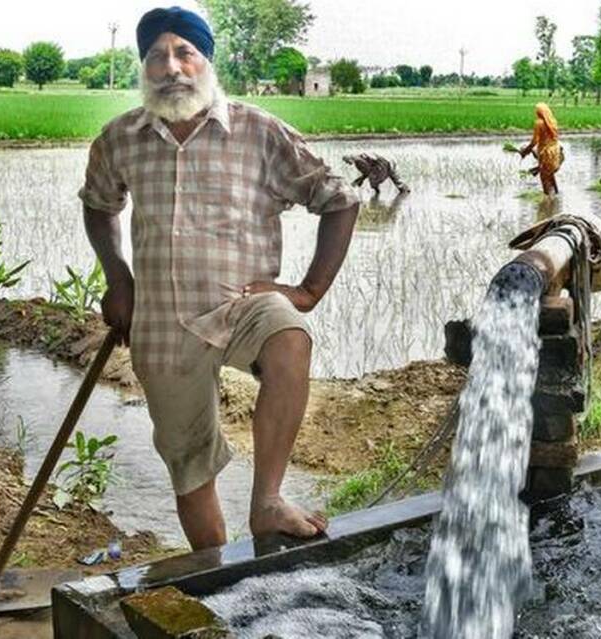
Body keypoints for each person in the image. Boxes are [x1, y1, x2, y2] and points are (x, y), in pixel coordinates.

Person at [78, 7, 360, 550]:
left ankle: (268, 503)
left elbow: (339, 199)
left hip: (242, 303)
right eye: (157, 55)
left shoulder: (259, 131)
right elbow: (99, 205)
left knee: (290, 337)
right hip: (162, 319)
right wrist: (118, 279)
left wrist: (308, 291)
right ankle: (215, 570)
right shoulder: (119, 139)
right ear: (143, 67)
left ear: (206, 61)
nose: (172, 67)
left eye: (185, 52)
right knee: (189, 461)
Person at [519, 103, 564, 196]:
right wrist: (529, 150)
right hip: (555, 151)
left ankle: (547, 201)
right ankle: (556, 195)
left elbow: (534, 141)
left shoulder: (539, 123)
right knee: (550, 174)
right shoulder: (553, 121)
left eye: (537, 111)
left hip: (545, 153)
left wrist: (526, 150)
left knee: (544, 178)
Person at [343, 153, 411, 196]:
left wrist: (359, 180)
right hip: (389, 161)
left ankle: (377, 195)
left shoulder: (358, 161)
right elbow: (367, 171)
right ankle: (405, 191)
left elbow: (368, 171)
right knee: (396, 179)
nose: (347, 163)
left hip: (382, 163)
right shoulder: (359, 158)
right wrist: (360, 180)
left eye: (347, 161)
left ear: (350, 159)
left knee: (373, 181)